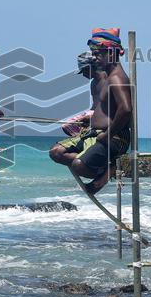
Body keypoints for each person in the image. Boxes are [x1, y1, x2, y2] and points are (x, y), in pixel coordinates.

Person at [49, 30, 133, 194]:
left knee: (79, 165)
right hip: (95, 133)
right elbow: (103, 108)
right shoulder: (106, 79)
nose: (94, 58)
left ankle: (109, 171)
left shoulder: (116, 78)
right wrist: (89, 120)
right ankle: (98, 164)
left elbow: (126, 109)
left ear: (111, 53)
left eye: (97, 54)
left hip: (114, 137)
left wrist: (107, 134)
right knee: (56, 152)